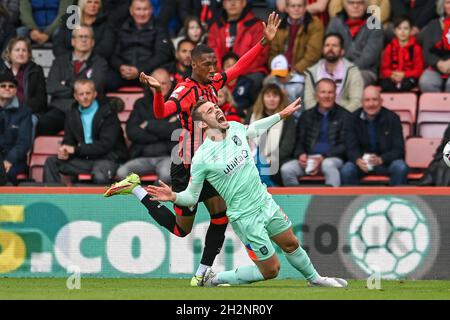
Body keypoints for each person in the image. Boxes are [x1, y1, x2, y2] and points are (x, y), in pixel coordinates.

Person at [106, 12, 282, 287]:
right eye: (207, 64)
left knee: (220, 216)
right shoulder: (184, 90)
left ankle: (202, 273)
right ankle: (136, 188)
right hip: (188, 164)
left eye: (215, 62)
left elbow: (238, 69)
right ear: (193, 64)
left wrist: (263, 42)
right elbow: (163, 110)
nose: (213, 68)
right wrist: (156, 92)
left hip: (212, 163)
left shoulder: (213, 82)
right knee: (180, 230)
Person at [141, 98, 348, 288]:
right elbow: (192, 197)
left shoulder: (235, 128)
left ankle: (315, 279)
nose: (217, 110)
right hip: (245, 217)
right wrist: (174, 197)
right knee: (271, 270)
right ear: (203, 124)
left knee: (291, 242)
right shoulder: (201, 159)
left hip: (264, 202)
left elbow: (254, 129)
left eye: (216, 107)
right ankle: (215, 279)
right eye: (210, 111)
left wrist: (281, 115)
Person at [43, 79, 128, 185]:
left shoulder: (108, 112)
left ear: (95, 94)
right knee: (51, 162)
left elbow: (105, 145)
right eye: (81, 94)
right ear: (75, 96)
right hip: (84, 159)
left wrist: (75, 149)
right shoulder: (72, 112)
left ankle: (99, 202)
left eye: (88, 93)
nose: (85, 97)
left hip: (107, 159)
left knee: (100, 175)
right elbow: (69, 139)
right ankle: (54, 199)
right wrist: (65, 150)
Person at [37, 25, 109, 136]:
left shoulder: (100, 63)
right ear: (73, 41)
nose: (84, 40)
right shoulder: (59, 61)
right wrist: (78, 88)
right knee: (42, 124)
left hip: (86, 111)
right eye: (80, 37)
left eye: (87, 37)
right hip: (60, 109)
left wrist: (66, 84)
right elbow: (51, 86)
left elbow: (94, 87)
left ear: (93, 42)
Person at [281, 79, 349, 187]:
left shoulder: (345, 116)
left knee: (328, 164)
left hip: (332, 158)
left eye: (330, 92)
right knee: (287, 169)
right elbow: (299, 141)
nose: (327, 96)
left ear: (335, 94)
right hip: (309, 160)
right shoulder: (306, 116)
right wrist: (301, 155)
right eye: (323, 92)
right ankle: (297, 201)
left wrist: (323, 157)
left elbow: (345, 145)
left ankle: (332, 202)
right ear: (316, 95)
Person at [116, 69, 180, 183]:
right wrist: (164, 130)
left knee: (166, 176)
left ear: (171, 85)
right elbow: (132, 132)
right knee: (122, 173)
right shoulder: (140, 103)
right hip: (142, 156)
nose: (160, 86)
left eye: (164, 83)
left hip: (168, 156)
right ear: (150, 84)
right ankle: (140, 197)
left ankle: (153, 198)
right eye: (156, 83)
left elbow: (176, 132)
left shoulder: (177, 104)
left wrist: (148, 125)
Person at [341, 86, 409, 186]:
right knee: (347, 170)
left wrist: (381, 159)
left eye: (375, 100)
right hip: (361, 163)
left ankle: (395, 199)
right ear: (362, 102)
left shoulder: (393, 118)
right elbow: (350, 147)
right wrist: (357, 159)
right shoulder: (352, 119)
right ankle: (354, 201)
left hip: (385, 162)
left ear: (381, 101)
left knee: (400, 167)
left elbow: (398, 149)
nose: (371, 104)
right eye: (367, 100)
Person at [108, 0, 174, 91]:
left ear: (151, 10)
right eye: (138, 9)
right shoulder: (120, 27)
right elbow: (111, 52)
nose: (142, 13)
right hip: (122, 72)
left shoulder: (160, 27)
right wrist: (120, 66)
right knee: (105, 80)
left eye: (145, 9)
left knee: (157, 82)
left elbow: (162, 55)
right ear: (131, 11)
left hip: (148, 72)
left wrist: (139, 70)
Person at [208, 0, 269, 95]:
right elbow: (212, 54)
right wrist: (224, 73)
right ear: (223, 4)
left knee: (255, 79)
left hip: (248, 72)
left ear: (244, 3)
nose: (232, 3)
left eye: (236, 0)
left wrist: (237, 71)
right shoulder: (215, 27)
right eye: (228, 1)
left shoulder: (257, 26)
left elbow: (260, 56)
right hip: (222, 72)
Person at [246, 83, 297, 186]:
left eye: (275, 96)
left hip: (277, 159)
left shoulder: (288, 118)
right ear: (262, 98)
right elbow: (246, 137)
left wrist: (270, 160)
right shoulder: (253, 114)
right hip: (252, 158)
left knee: (269, 169)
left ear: (280, 99)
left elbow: (287, 146)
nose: (271, 99)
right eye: (268, 96)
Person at [326, 0, 384, 86]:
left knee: (353, 80)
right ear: (344, 5)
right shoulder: (335, 22)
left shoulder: (375, 24)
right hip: (336, 69)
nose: (355, 6)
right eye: (351, 3)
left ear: (366, 5)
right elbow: (329, 50)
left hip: (365, 70)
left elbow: (369, 57)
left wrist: (346, 71)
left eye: (360, 3)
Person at [304, 32, 363, 111]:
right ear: (322, 50)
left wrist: (341, 116)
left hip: (344, 116)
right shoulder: (311, 72)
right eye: (327, 45)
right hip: (318, 117)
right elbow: (309, 101)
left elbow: (356, 101)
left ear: (342, 51)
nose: (330, 48)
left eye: (334, 45)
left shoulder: (353, 72)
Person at [0, 36, 47, 126]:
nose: (21, 53)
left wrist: (18, 108)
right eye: (17, 50)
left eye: (24, 50)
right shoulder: (2, 71)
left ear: (29, 54)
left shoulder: (36, 70)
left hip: (28, 112)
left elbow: (41, 100)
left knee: (30, 121)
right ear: (9, 53)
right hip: (3, 110)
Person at [269, 0, 324, 75]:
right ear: (287, 9)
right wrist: (277, 70)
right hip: (278, 71)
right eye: (293, 6)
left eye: (299, 6)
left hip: (302, 73)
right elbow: (272, 53)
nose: (296, 9)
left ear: (305, 8)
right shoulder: (279, 26)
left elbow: (313, 55)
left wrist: (293, 72)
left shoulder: (315, 25)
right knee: (267, 83)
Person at [0, 72, 32, 185]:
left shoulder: (25, 111)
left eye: (11, 86)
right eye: (3, 85)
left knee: (6, 177)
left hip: (15, 160)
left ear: (15, 90)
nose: (7, 88)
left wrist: (9, 160)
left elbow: (24, 142)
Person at [380, 15, 424, 92]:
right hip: (392, 77)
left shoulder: (416, 48)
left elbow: (419, 70)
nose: (402, 32)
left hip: (408, 78)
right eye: (399, 28)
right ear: (394, 31)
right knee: (385, 85)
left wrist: (404, 74)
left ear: (411, 30)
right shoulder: (389, 47)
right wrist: (393, 74)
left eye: (406, 28)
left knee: (406, 85)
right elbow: (384, 69)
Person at [418, 0, 450, 93]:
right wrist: (438, 63)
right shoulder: (433, 24)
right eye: (448, 3)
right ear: (443, 5)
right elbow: (427, 51)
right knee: (426, 82)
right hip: (436, 66)